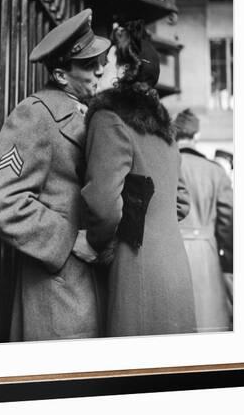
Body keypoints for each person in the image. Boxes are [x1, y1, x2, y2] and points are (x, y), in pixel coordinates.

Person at [0, 8, 110, 341]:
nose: (99, 70)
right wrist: (69, 240)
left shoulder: (89, 114)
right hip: (58, 291)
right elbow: (2, 201)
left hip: (89, 282)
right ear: (61, 75)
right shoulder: (35, 115)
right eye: (87, 65)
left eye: (99, 61)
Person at [81, 24, 196, 337]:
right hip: (174, 268)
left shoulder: (108, 118)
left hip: (135, 271)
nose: (98, 68)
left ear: (124, 71)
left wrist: (93, 243)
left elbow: (104, 204)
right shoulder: (165, 129)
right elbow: (181, 202)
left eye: (107, 61)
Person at [174, 109, 233, 332]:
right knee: (208, 322)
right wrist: (228, 262)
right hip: (206, 254)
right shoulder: (216, 172)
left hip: (171, 252)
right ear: (196, 136)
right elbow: (228, 224)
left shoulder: (165, 165)